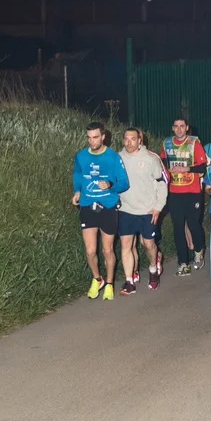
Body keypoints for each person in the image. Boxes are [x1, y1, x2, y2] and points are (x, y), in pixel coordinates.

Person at [72, 122, 130, 301]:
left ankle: (110, 282)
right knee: (90, 251)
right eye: (89, 137)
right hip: (87, 205)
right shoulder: (81, 156)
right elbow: (77, 174)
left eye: (95, 137)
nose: (92, 141)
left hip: (107, 206)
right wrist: (77, 191)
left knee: (107, 250)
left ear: (103, 137)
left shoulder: (113, 157)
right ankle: (97, 279)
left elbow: (124, 182)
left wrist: (110, 184)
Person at [117, 127, 167, 294]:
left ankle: (153, 269)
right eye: (126, 139)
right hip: (125, 209)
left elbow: (162, 183)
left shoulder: (151, 158)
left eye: (133, 139)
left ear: (140, 140)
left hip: (147, 210)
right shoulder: (118, 158)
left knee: (148, 244)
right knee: (126, 245)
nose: (129, 142)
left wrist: (158, 207)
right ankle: (129, 281)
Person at [160, 117, 208, 277]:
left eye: (182, 126)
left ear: (187, 128)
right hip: (174, 192)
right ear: (172, 128)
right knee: (178, 228)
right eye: (176, 126)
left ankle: (198, 251)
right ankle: (183, 263)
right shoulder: (167, 143)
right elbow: (162, 164)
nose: (179, 129)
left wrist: (186, 168)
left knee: (193, 224)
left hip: (192, 191)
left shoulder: (194, 143)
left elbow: (203, 167)